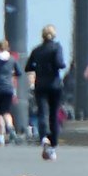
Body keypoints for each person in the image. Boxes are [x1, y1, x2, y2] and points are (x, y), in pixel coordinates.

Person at [26, 25, 67, 159]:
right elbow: (60, 63)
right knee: (54, 113)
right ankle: (53, 141)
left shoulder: (37, 50)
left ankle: (43, 136)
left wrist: (38, 67)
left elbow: (28, 66)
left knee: (42, 111)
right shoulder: (56, 47)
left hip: (40, 84)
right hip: (54, 84)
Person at [0, 38, 21, 145]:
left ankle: (1, 135)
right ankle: (10, 128)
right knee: (6, 111)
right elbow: (19, 72)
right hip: (8, 88)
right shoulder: (12, 59)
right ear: (8, 48)